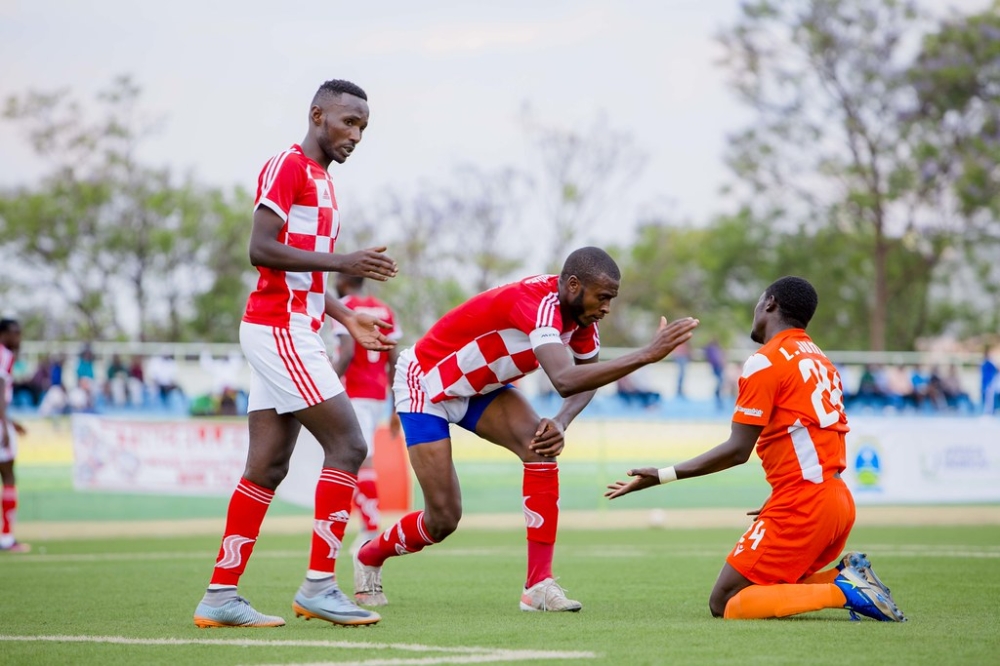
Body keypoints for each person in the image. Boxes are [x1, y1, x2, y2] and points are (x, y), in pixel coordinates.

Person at [353, 247, 699, 612]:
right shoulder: (537, 304)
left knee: (541, 445)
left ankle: (538, 585)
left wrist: (561, 422)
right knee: (443, 520)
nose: (607, 307)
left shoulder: (582, 322)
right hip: (426, 383)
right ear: (573, 285)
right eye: (603, 297)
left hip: (480, 390)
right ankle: (369, 555)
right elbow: (565, 379)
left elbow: (585, 381)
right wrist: (646, 354)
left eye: (611, 298)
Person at [193, 78, 399, 630]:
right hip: (279, 328)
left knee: (267, 466)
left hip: (292, 327)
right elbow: (260, 249)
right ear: (317, 116)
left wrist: (346, 315)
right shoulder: (286, 166)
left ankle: (220, 595)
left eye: (363, 127)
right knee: (350, 444)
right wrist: (343, 261)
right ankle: (320, 586)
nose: (356, 135)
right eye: (348, 122)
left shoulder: (324, 182)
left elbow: (303, 268)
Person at [606, 276, 906, 623]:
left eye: (757, 302)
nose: (754, 310)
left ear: (771, 304)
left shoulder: (766, 360)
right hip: (835, 497)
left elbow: (738, 450)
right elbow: (814, 434)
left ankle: (841, 591)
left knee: (727, 600)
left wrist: (661, 475)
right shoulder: (821, 360)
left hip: (804, 502)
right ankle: (845, 577)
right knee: (777, 582)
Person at [331, 274, 402, 553]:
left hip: (354, 393)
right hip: (378, 394)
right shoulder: (384, 309)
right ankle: (367, 528)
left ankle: (370, 531)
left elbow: (346, 353)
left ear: (344, 280)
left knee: (361, 460)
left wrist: (324, 384)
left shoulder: (344, 306)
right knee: (362, 457)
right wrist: (396, 406)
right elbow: (394, 359)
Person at [0, 319, 29, 552]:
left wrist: (11, 421)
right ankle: (7, 537)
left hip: (3, 419)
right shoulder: (4, 355)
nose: (18, 338)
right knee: (8, 476)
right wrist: (4, 426)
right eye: (14, 333)